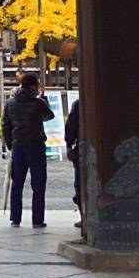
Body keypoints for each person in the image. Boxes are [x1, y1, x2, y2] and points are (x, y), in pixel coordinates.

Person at [2, 72, 55, 228]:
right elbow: (49, 116)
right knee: (38, 184)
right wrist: (44, 98)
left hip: (18, 146)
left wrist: (10, 144)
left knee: (17, 183)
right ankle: (37, 220)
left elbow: (5, 125)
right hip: (36, 146)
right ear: (33, 87)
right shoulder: (38, 103)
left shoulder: (10, 102)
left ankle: (15, 219)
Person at [63, 97, 82, 228]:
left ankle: (84, 215)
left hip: (82, 148)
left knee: (80, 184)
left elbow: (70, 127)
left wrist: (69, 145)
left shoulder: (79, 104)